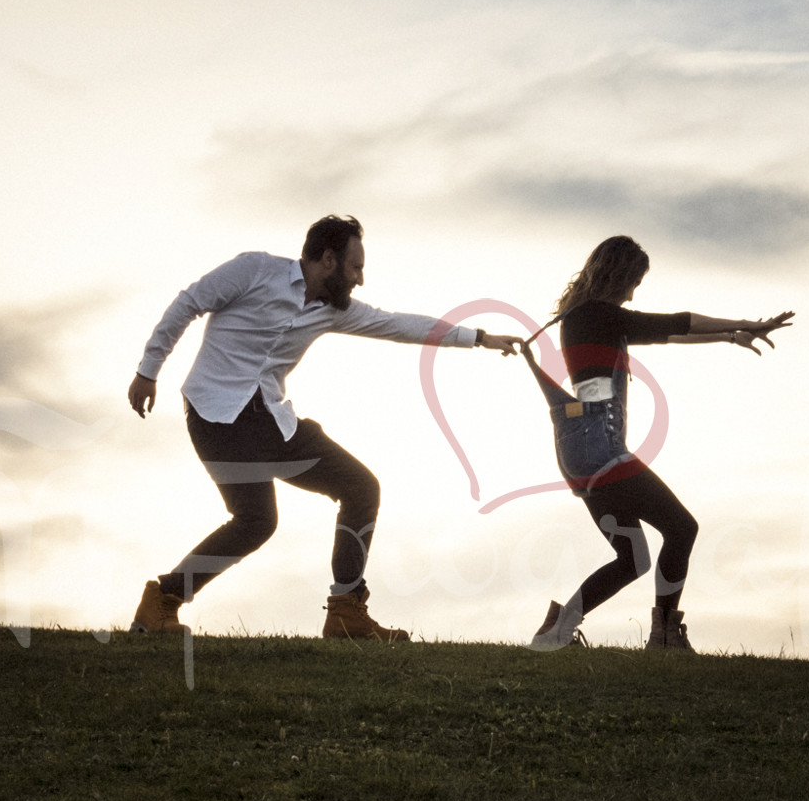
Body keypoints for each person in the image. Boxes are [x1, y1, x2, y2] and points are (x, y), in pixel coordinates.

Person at [127, 215, 525, 640]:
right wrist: (149, 371)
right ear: (329, 260)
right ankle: (162, 601)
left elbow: (398, 324)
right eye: (356, 267)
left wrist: (478, 338)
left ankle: (344, 612)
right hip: (217, 416)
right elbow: (189, 302)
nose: (361, 279)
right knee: (256, 521)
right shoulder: (256, 270)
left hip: (271, 421)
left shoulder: (333, 311)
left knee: (360, 488)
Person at [528, 235, 792, 652]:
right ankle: (664, 635)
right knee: (682, 527)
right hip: (600, 448)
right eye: (634, 281)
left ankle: (557, 630)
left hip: (579, 451)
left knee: (632, 559)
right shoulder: (599, 314)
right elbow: (675, 322)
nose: (635, 292)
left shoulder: (587, 318)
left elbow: (665, 334)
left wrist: (729, 336)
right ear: (620, 275)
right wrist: (744, 324)